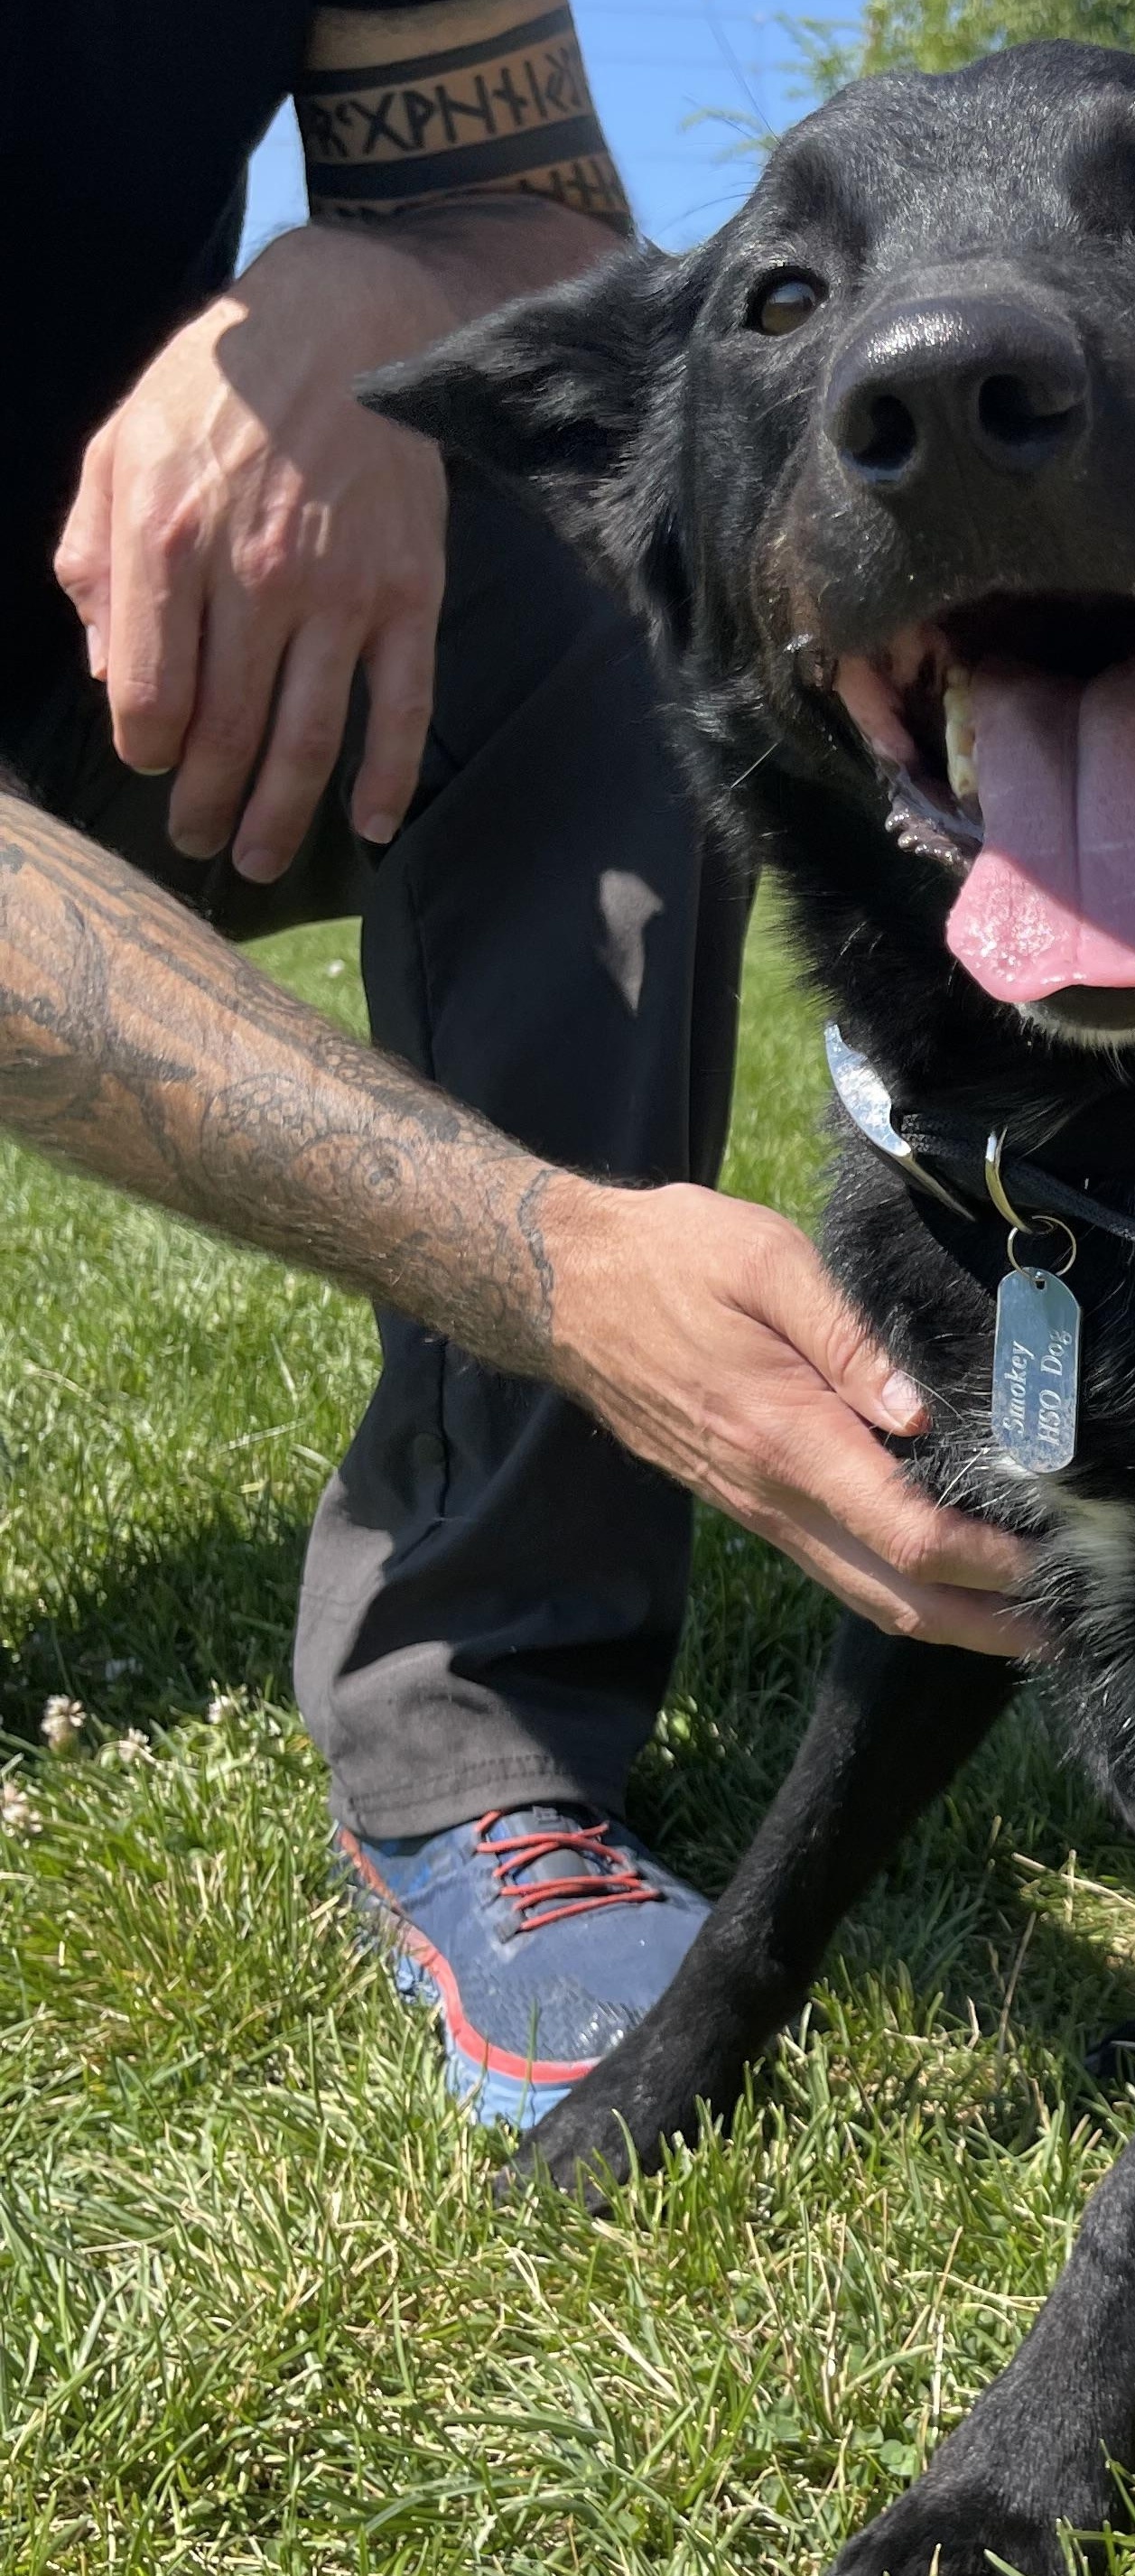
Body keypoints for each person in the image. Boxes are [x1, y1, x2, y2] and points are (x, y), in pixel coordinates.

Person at [1, 1, 1029, 2126]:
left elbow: (548, 236)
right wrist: (545, 1255)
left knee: (587, 535)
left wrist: (370, 283)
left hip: (129, 637)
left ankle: (487, 1723)